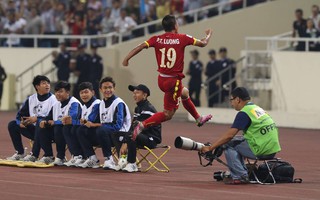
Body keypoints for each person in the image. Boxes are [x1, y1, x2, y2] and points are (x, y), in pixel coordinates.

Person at [122, 14, 213, 140]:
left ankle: (198, 118)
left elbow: (140, 46)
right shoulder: (183, 38)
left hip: (162, 79)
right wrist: (208, 35)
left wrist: (127, 58)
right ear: (175, 26)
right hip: (173, 82)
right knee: (168, 114)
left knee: (184, 92)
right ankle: (142, 125)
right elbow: (203, 43)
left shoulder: (156, 39)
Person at [201, 87, 281, 184]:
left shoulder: (244, 113)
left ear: (238, 99)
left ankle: (240, 176)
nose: (231, 103)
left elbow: (229, 136)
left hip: (261, 150)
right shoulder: (256, 109)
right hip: (272, 149)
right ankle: (242, 171)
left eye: (231, 99)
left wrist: (211, 148)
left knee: (228, 144)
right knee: (236, 140)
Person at [77, 77, 131, 170]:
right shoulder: (101, 103)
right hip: (105, 135)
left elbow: (117, 126)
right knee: (81, 130)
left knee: (101, 129)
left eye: (110, 87)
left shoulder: (118, 103)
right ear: (100, 90)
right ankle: (92, 158)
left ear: (114, 88)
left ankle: (109, 159)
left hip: (120, 135)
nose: (108, 90)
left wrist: (95, 125)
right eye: (105, 88)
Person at [6, 75, 57, 162]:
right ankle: (20, 153)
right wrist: (20, 123)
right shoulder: (31, 99)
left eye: (48, 83)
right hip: (34, 131)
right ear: (37, 86)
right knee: (12, 124)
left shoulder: (54, 99)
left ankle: (35, 155)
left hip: (49, 131)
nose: (47, 85)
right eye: (44, 83)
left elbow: (54, 117)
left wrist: (37, 118)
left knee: (39, 122)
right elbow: (20, 115)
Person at [38, 81, 82, 165]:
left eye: (61, 91)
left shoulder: (74, 103)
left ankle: (64, 156)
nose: (58, 94)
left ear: (68, 92)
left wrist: (55, 122)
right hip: (59, 132)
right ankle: (49, 155)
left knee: (60, 128)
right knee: (42, 127)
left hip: (73, 131)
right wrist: (44, 122)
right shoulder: (56, 104)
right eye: (56, 92)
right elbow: (48, 118)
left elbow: (70, 120)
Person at [121, 84, 162, 172]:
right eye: (134, 93)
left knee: (132, 135)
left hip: (151, 139)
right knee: (118, 134)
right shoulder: (138, 108)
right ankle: (122, 160)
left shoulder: (148, 109)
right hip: (142, 136)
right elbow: (133, 126)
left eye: (137, 93)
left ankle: (132, 164)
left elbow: (138, 128)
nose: (134, 95)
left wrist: (125, 143)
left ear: (144, 95)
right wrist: (124, 140)